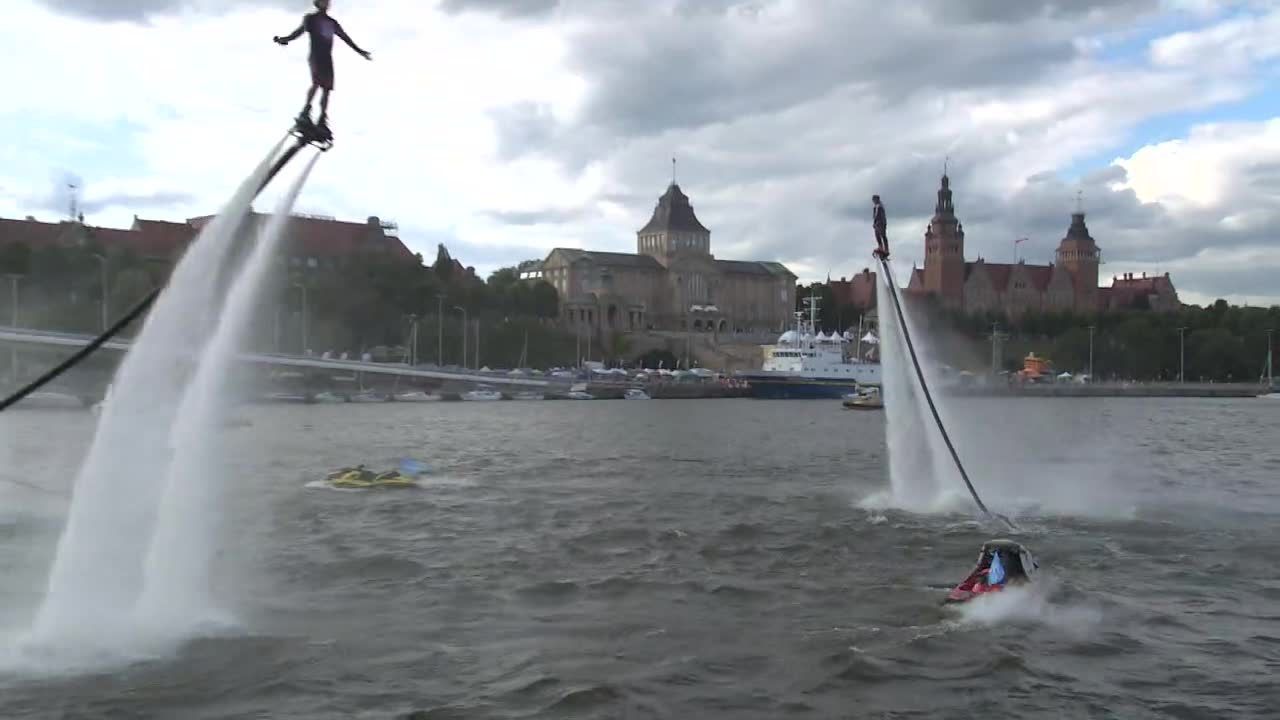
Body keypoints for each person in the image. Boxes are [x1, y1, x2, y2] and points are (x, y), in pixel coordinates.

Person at [274, 0, 372, 134]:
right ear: (318, 3)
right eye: (324, 1)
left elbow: (346, 38)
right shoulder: (311, 18)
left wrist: (361, 51)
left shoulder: (332, 22)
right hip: (316, 56)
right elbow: (299, 32)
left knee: (327, 89)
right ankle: (305, 111)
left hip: (327, 59)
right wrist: (284, 39)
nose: (327, 3)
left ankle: (322, 118)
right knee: (316, 83)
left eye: (328, 1)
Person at [872, 195, 889, 260]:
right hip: (877, 223)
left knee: (883, 235)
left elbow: (882, 216)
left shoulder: (880, 206)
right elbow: (874, 216)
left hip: (881, 223)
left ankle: (886, 249)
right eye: (873, 200)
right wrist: (874, 223)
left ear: (877, 199)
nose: (874, 201)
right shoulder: (875, 207)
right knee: (877, 236)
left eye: (874, 199)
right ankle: (880, 247)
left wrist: (884, 224)